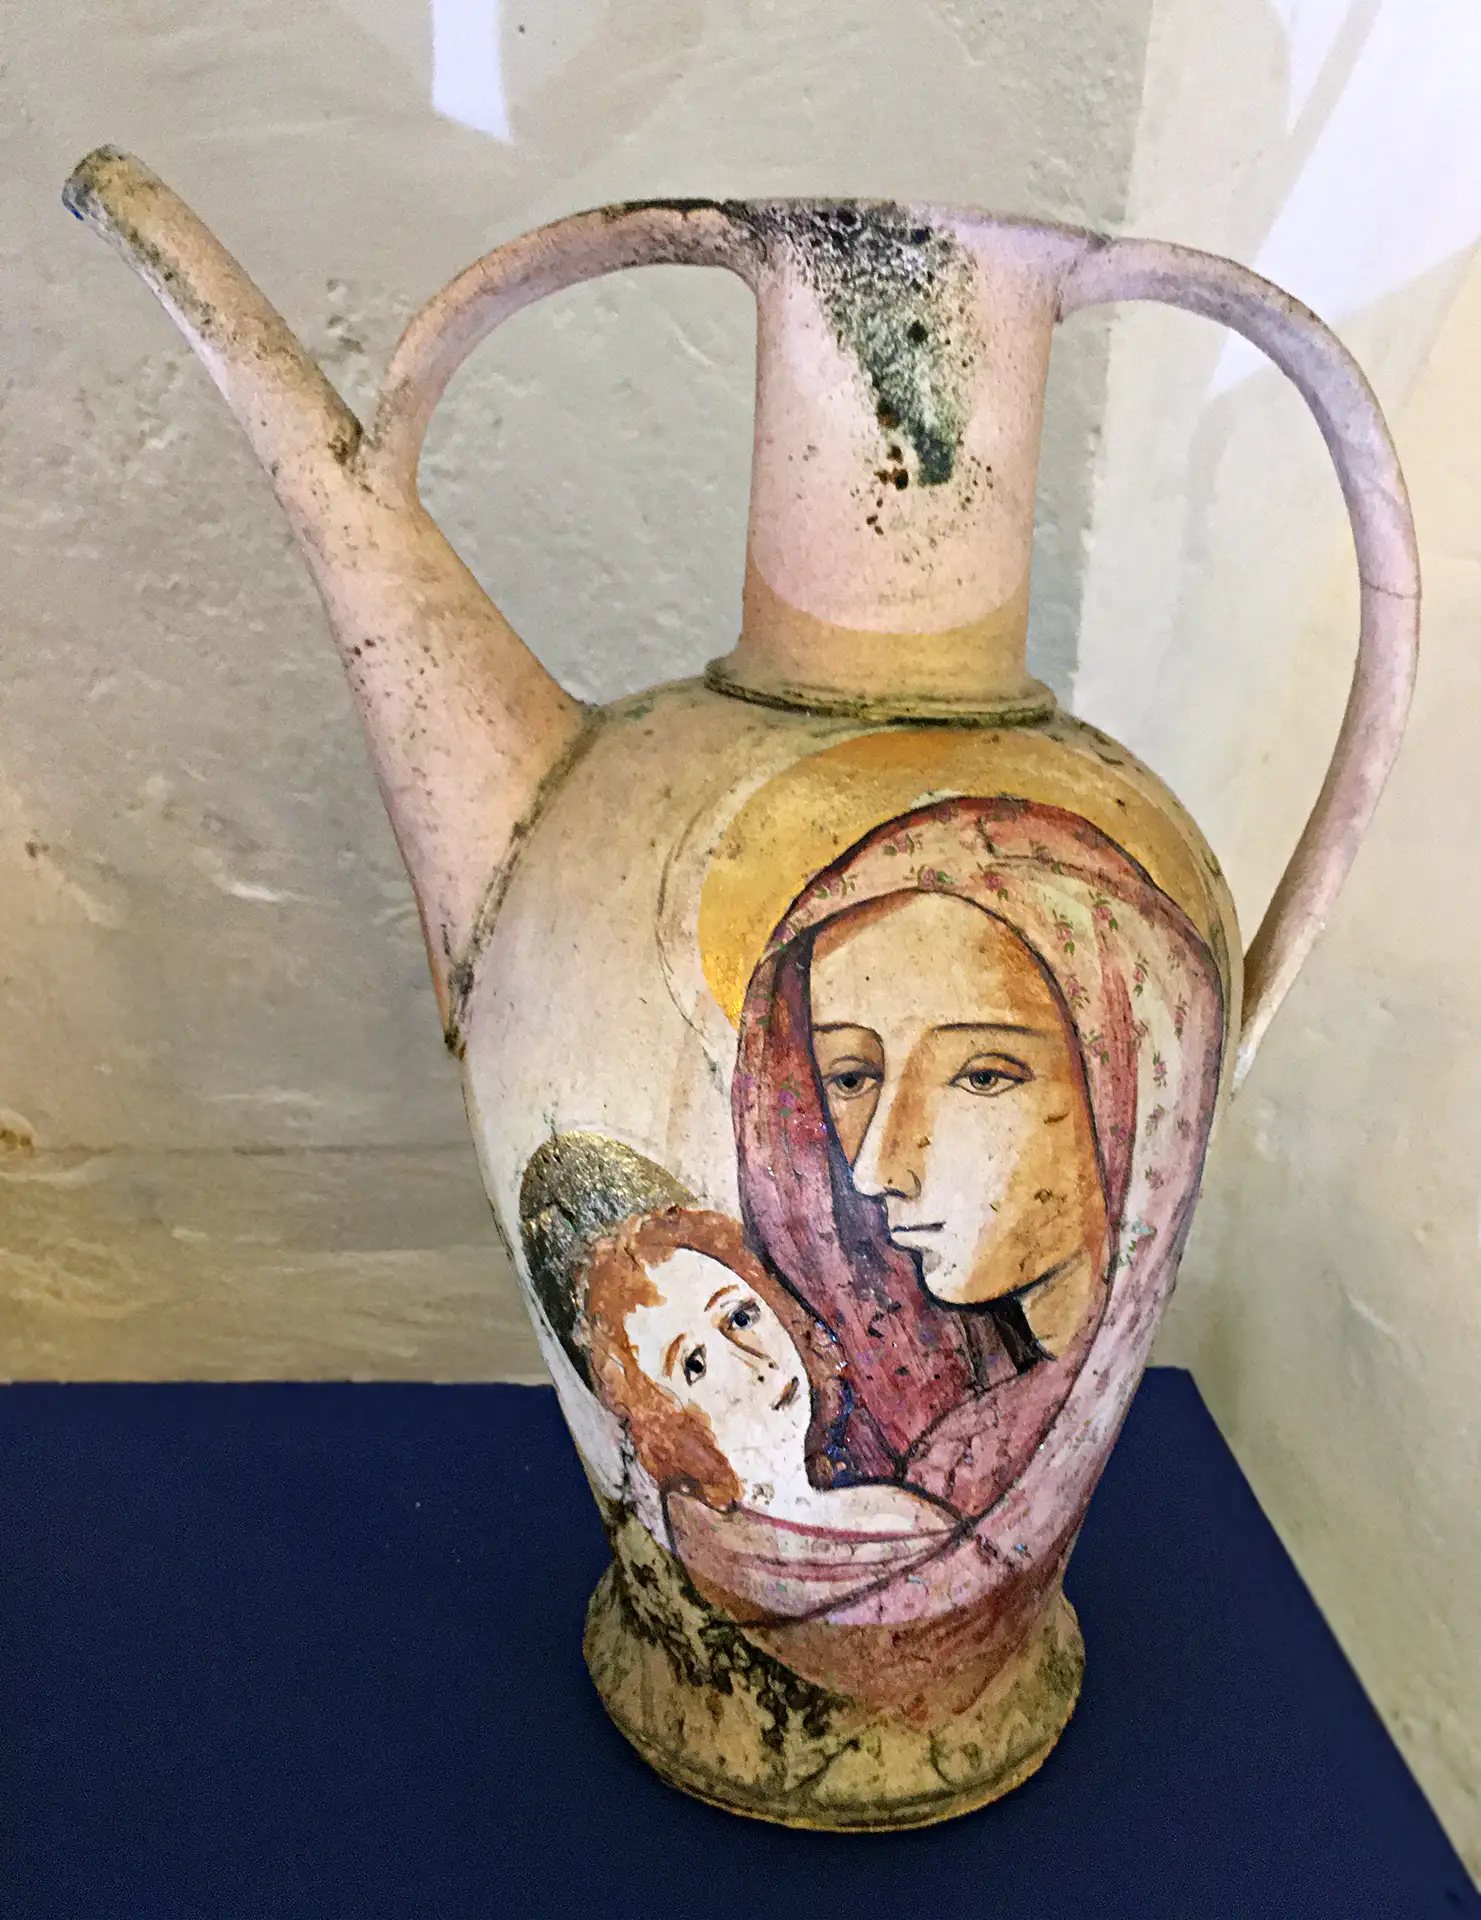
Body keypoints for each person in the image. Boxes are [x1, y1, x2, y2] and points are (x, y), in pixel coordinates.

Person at [733, 794, 1223, 1501]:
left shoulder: (971, 1463)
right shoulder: (954, 1460)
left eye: (982, 1076)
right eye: (852, 1078)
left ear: (1127, 1078)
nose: (874, 1170)